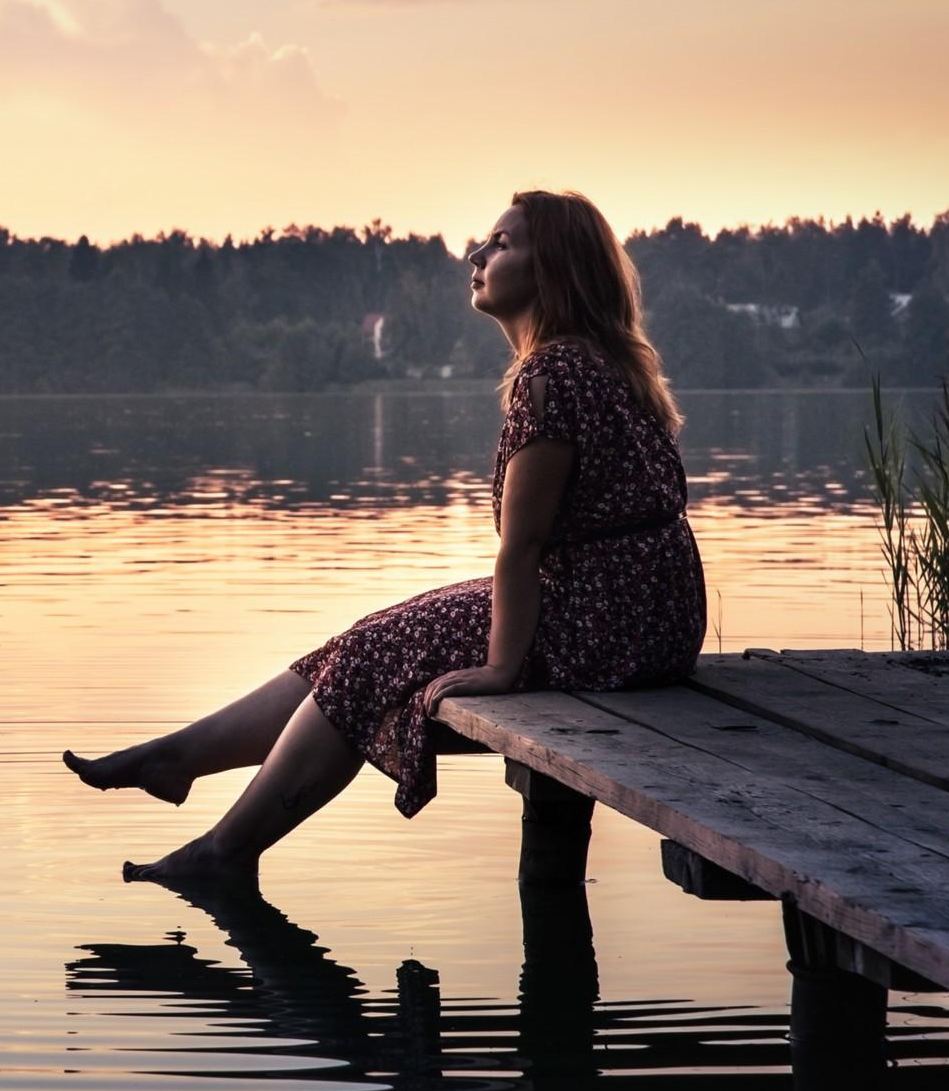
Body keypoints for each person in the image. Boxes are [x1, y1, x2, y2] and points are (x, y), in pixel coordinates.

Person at [64, 189, 707, 888]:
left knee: (377, 652)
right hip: (650, 616)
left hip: (604, 620)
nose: (477, 254)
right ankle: (181, 756)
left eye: (501, 244)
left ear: (550, 268)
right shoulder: (603, 364)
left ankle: (224, 851)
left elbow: (521, 547)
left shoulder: (553, 375)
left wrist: (499, 670)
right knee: (370, 637)